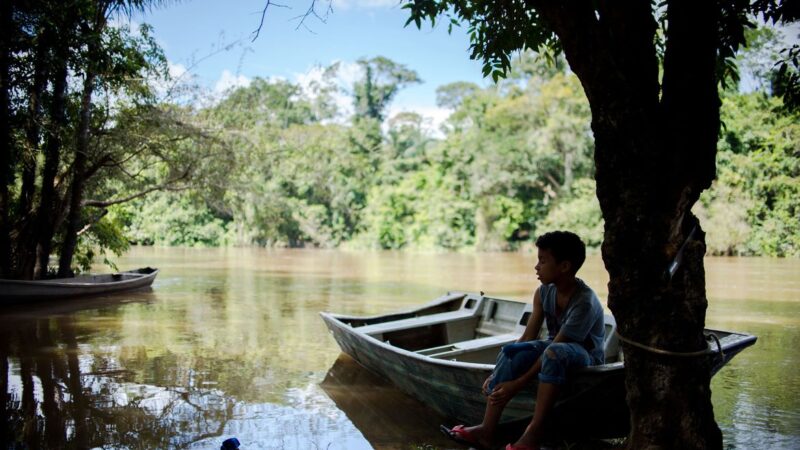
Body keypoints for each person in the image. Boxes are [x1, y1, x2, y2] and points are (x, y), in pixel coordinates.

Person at [441, 231, 605, 450]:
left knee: (553, 353)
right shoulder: (543, 292)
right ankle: (486, 431)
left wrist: (517, 384)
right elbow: (528, 337)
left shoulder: (584, 302)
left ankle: (533, 434)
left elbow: (557, 345)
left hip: (586, 357)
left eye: (543, 261)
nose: (536, 267)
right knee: (513, 350)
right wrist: (496, 372)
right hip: (554, 349)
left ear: (564, 266)